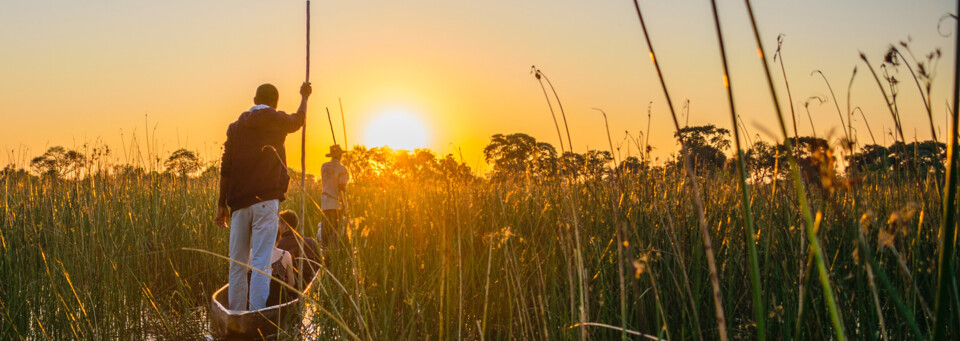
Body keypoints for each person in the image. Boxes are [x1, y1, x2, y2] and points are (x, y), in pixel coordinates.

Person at [215, 82, 311, 311]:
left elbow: (225, 168)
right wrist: (304, 97)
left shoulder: (235, 127)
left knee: (237, 263)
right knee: (260, 263)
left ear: (255, 101)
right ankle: (257, 314)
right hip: (267, 203)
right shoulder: (277, 120)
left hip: (238, 205)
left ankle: (237, 314)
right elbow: (299, 120)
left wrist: (221, 205)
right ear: (275, 103)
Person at [276, 210, 322, 282]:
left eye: (279, 224)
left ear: (285, 226)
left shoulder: (278, 245)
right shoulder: (311, 243)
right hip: (309, 287)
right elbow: (320, 268)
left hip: (288, 289)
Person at [319, 144, 350, 247]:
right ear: (340, 156)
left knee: (325, 231)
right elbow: (342, 188)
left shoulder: (324, 166)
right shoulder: (342, 170)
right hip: (336, 204)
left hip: (325, 203)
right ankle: (333, 254)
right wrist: (345, 203)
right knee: (335, 232)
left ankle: (324, 252)